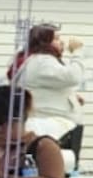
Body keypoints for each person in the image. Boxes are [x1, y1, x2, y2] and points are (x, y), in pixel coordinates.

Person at [9, 24, 86, 162]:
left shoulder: (35, 60)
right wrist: (77, 53)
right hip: (52, 126)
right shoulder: (43, 60)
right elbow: (73, 77)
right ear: (44, 42)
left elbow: (47, 85)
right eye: (56, 39)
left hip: (46, 124)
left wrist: (71, 98)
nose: (61, 42)